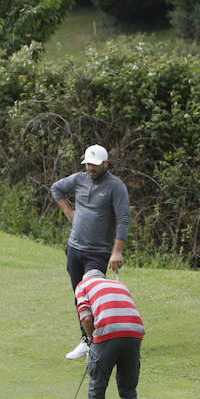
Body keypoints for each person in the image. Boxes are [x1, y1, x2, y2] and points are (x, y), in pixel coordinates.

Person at [51, 144, 130, 361]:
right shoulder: (78, 179)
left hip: (99, 252)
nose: (90, 168)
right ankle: (87, 341)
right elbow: (56, 188)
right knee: (80, 297)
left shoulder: (116, 187)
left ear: (106, 163)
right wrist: (68, 211)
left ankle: (99, 341)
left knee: (93, 296)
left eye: (95, 165)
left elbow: (123, 220)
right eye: (87, 164)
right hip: (75, 248)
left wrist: (117, 252)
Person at [72, 268, 146, 399]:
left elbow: (86, 317)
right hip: (135, 333)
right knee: (128, 391)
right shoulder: (119, 284)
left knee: (96, 389)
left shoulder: (83, 285)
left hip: (108, 332)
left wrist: (92, 342)